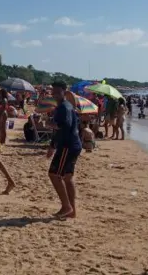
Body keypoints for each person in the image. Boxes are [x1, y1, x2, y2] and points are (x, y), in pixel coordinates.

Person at [47, 81, 82, 219]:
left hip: (68, 146)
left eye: (57, 91)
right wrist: (52, 146)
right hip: (72, 145)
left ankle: (66, 206)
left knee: (54, 174)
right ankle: (72, 210)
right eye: (53, 91)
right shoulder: (65, 106)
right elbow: (62, 130)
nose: (54, 94)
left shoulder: (64, 108)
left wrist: (51, 124)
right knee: (67, 177)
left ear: (64, 91)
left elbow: (64, 126)